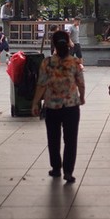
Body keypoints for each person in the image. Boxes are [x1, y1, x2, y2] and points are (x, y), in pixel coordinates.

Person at [31, 31, 85, 183]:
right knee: (71, 139)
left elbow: (41, 84)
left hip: (52, 106)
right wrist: (82, 96)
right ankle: (68, 171)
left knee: (53, 138)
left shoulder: (47, 62)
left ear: (53, 44)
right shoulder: (75, 62)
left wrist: (35, 103)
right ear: (69, 43)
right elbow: (80, 82)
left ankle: (56, 168)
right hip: (71, 106)